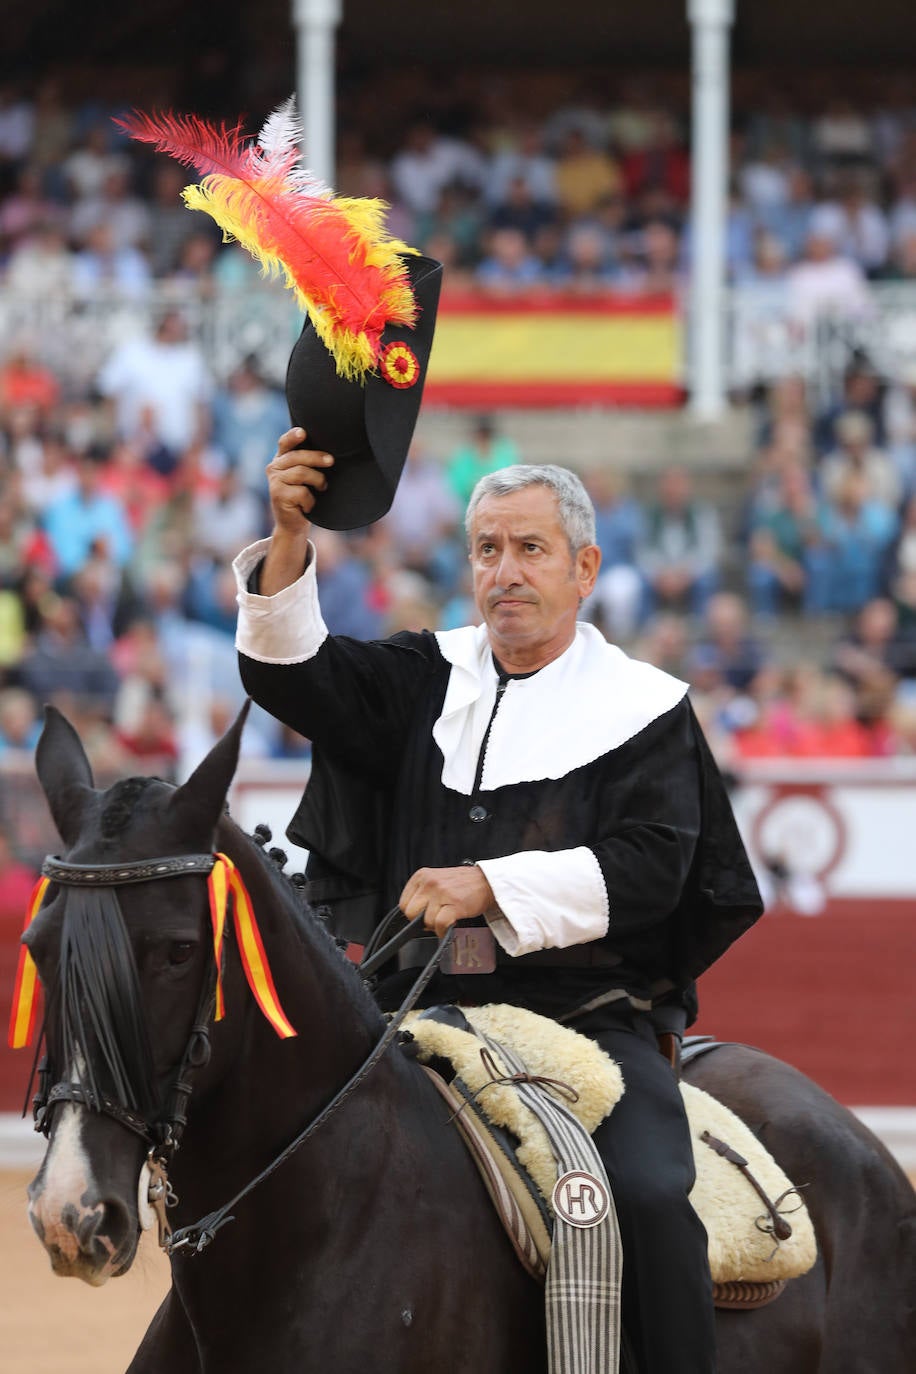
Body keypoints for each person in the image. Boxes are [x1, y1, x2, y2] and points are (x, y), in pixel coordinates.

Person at [232, 437, 763, 1374]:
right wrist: (287, 535)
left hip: (589, 1026)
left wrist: (489, 884)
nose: (504, 573)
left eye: (530, 549)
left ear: (584, 568)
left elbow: (656, 869)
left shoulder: (644, 706)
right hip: (414, 1014)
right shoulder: (423, 674)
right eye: (486, 550)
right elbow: (290, 674)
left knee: (642, 1194)